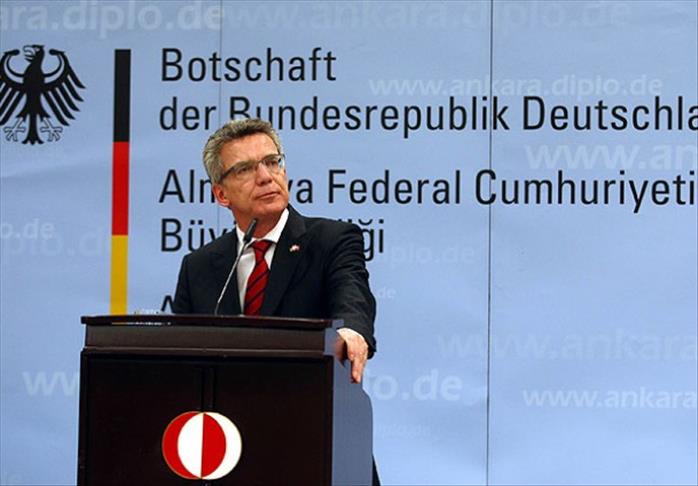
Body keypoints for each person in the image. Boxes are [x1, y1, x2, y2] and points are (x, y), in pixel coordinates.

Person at [172, 118, 377, 383]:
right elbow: (178, 354)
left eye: (272, 162)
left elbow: (352, 298)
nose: (265, 177)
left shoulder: (331, 241)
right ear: (221, 194)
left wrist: (351, 332)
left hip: (305, 397)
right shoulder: (198, 267)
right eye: (245, 169)